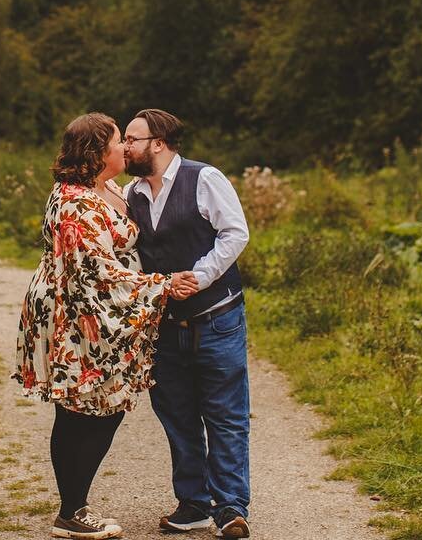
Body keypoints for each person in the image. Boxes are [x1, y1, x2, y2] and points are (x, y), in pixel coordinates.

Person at [15, 112, 198, 539]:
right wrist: (164, 284)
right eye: (119, 142)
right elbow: (98, 274)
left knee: (102, 410)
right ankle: (72, 510)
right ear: (98, 152)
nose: (126, 148)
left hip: (100, 316)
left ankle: (73, 506)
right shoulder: (75, 203)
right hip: (80, 315)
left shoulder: (107, 188)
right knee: (83, 411)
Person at [123, 108, 252, 538]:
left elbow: (235, 233)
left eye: (132, 139)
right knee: (177, 416)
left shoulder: (205, 178)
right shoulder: (131, 193)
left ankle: (231, 507)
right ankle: (194, 504)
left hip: (217, 318)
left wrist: (198, 277)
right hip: (164, 326)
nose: (125, 146)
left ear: (157, 143)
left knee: (225, 416)